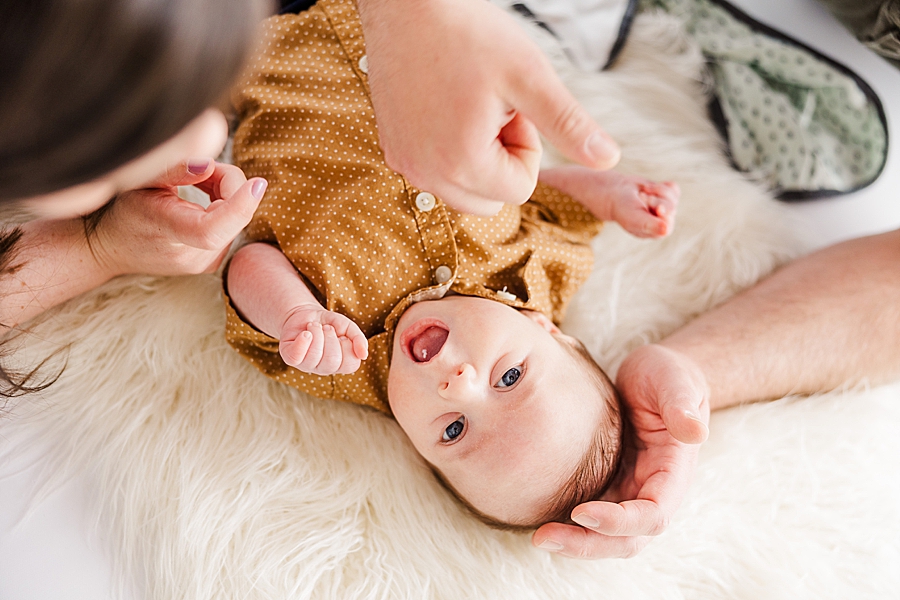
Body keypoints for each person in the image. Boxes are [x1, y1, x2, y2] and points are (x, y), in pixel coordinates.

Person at [222, 0, 680, 528]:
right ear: (545, 328)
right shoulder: (530, 268)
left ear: (417, 448)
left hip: (257, 46)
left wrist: (294, 316)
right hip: (403, 27)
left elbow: (247, 264)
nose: (457, 385)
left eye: (455, 430)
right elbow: (542, 194)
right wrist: (614, 195)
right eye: (509, 377)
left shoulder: (343, 360)